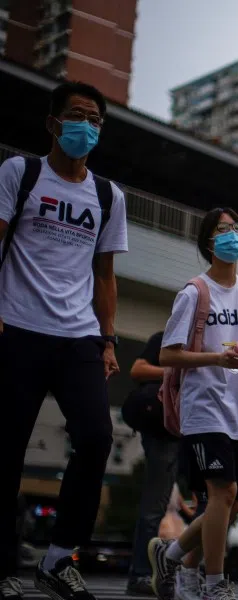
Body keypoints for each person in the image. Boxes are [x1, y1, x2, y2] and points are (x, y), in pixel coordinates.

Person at [0, 81, 128, 600]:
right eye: (77, 115)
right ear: (53, 123)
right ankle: (3, 565)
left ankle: (58, 560)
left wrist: (109, 338)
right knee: (7, 449)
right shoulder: (20, 173)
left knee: (97, 437)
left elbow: (105, 275)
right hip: (19, 328)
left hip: (78, 336)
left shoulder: (106, 195)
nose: (87, 126)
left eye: (95, 119)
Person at [147, 208, 238, 600]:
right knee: (222, 494)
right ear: (209, 241)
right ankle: (214, 583)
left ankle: (170, 555)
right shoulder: (194, 292)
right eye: (224, 230)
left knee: (230, 504)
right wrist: (215, 359)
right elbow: (168, 355)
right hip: (204, 408)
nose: (233, 235)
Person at [128, 331, 182, 596]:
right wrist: (177, 373)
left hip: (199, 426)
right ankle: (141, 574)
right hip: (165, 429)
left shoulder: (219, 341)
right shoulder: (168, 337)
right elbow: (138, 370)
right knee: (154, 506)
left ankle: (186, 574)